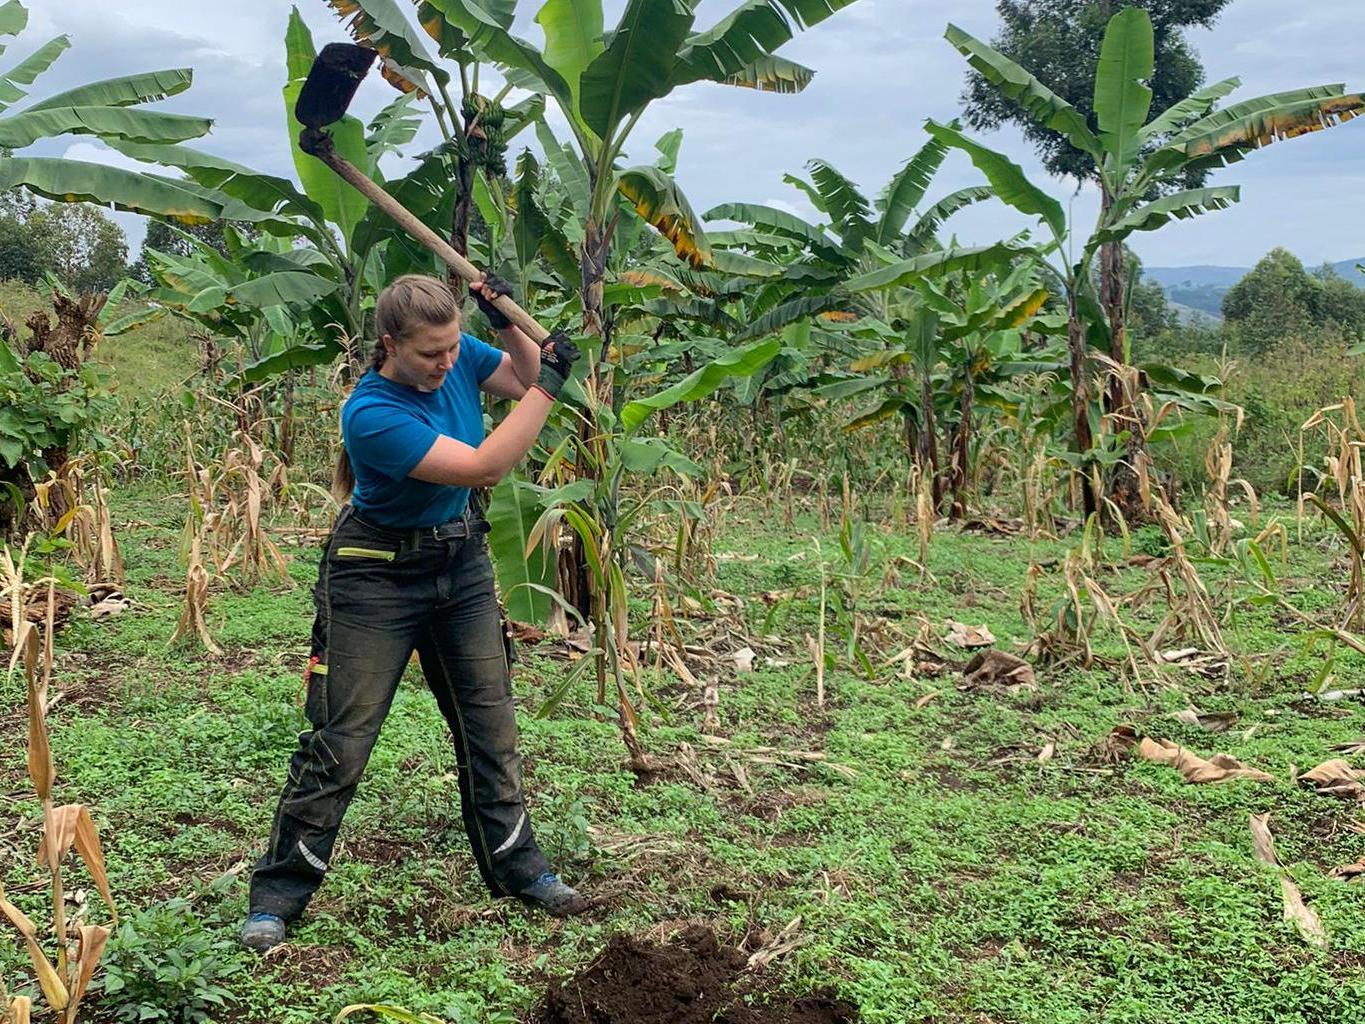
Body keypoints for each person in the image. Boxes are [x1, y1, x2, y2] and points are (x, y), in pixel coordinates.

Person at [241, 273, 583, 953]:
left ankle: (520, 869)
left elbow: (515, 379)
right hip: (374, 576)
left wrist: (505, 322)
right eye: (431, 354)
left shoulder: (457, 356)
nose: (447, 364)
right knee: (340, 741)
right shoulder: (370, 415)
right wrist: (551, 385)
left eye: (454, 348)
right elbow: (486, 465)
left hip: (459, 565)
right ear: (390, 343)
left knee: (491, 727)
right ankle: (277, 896)